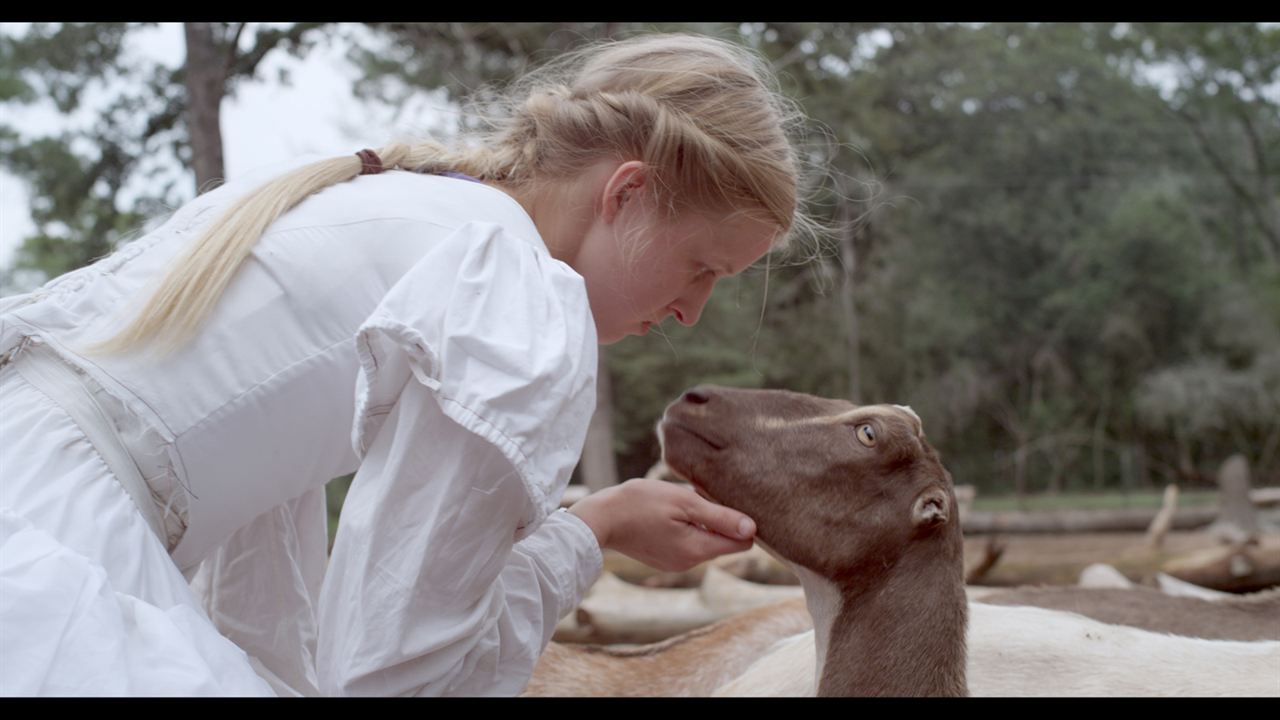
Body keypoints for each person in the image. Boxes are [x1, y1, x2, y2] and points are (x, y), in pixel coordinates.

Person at [0, 33, 811, 696]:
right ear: (627, 193)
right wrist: (591, 534)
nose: (690, 311)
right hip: (52, 544)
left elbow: (263, 576)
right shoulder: (512, 292)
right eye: (703, 266)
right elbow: (400, 673)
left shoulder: (388, 205)